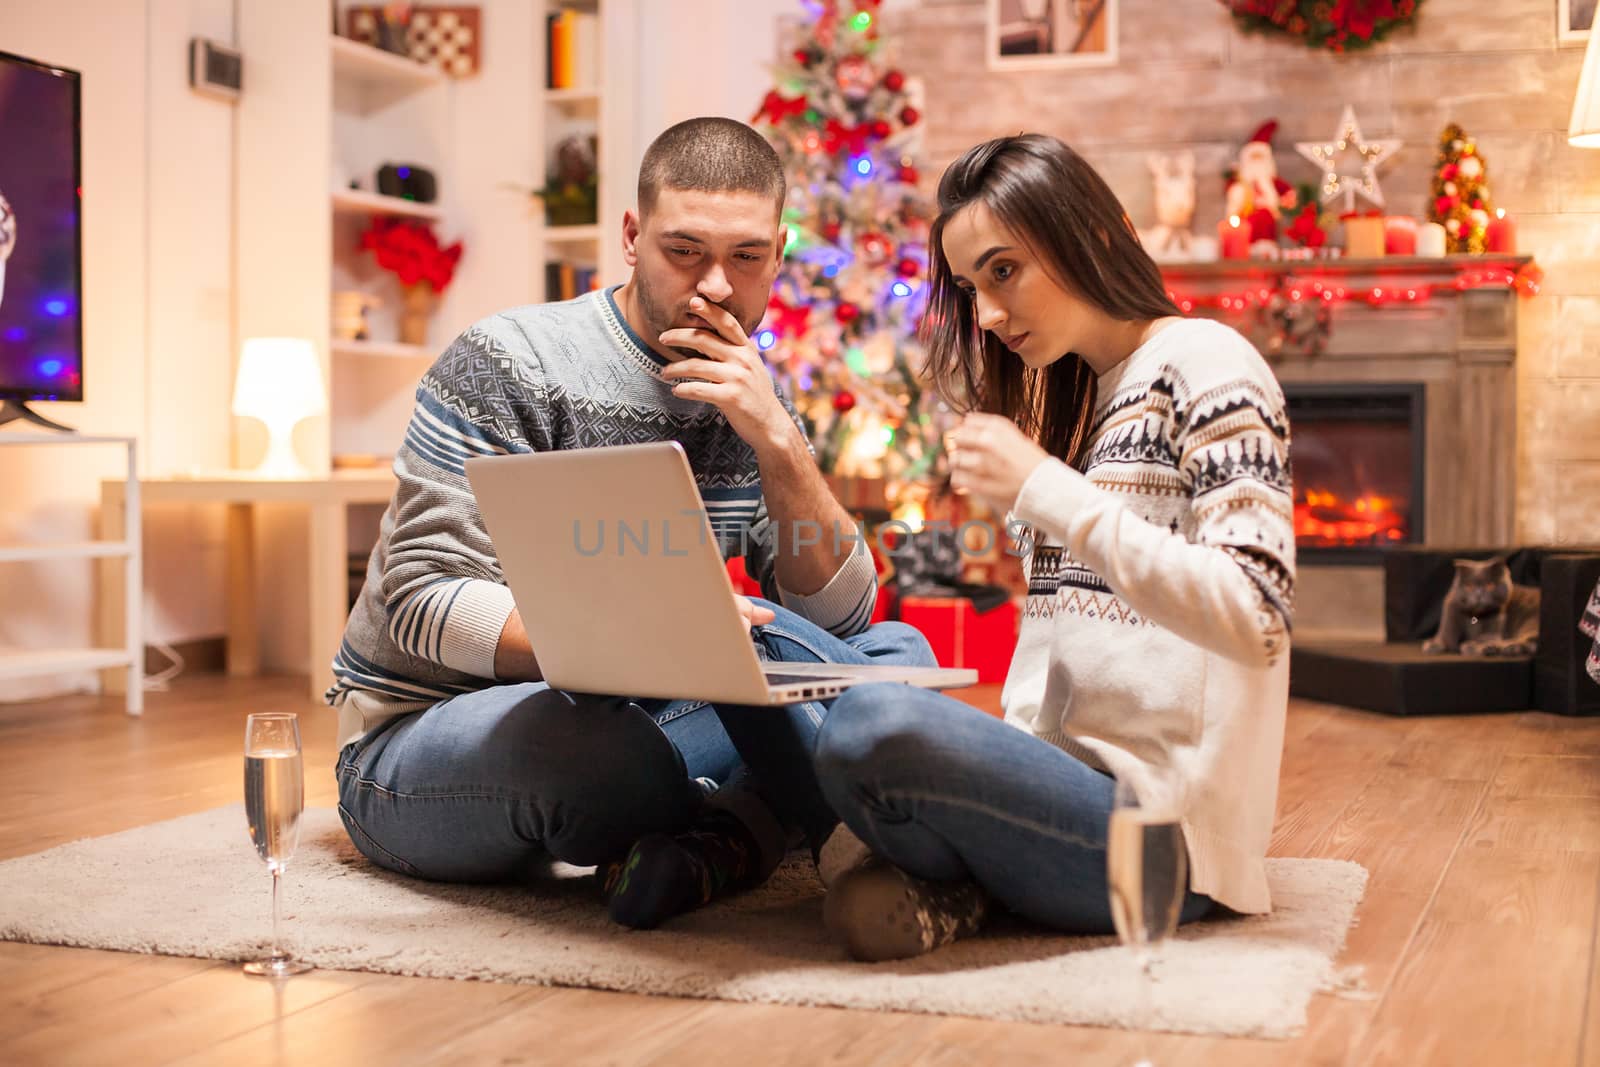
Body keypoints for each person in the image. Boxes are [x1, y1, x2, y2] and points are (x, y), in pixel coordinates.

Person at [328, 116, 935, 930]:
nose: (716, 284)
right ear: (630, 236)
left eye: (746, 257)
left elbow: (843, 622)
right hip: (433, 735)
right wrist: (628, 640)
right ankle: (773, 825)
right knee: (594, 752)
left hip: (650, 718)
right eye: (685, 251)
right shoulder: (510, 360)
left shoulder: (750, 391)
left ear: (778, 255)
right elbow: (415, 601)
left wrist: (781, 444)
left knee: (895, 657)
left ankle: (715, 839)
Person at [809, 133, 1296, 961]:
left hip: (1161, 837)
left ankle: (942, 871)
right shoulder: (1087, 408)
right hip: (1063, 800)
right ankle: (964, 874)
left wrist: (1049, 493)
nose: (989, 315)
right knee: (800, 674)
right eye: (972, 287)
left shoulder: (1208, 360)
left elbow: (1258, 615)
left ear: (1089, 233)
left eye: (1004, 271)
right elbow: (1058, 675)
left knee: (869, 721)